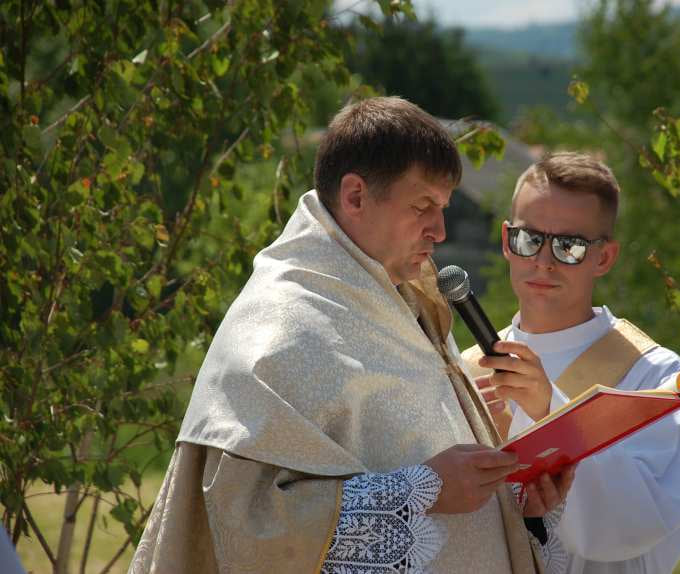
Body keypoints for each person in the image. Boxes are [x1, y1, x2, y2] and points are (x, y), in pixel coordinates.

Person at [129, 96, 574, 574]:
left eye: (443, 208)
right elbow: (249, 524)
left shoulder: (410, 295)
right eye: (424, 206)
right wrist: (424, 489)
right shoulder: (277, 328)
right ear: (356, 195)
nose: (440, 230)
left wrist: (514, 506)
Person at [462, 152, 680, 574]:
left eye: (569, 246)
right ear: (506, 241)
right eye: (529, 239)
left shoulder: (654, 376)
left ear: (604, 258)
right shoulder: (468, 369)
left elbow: (644, 520)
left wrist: (548, 408)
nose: (543, 261)